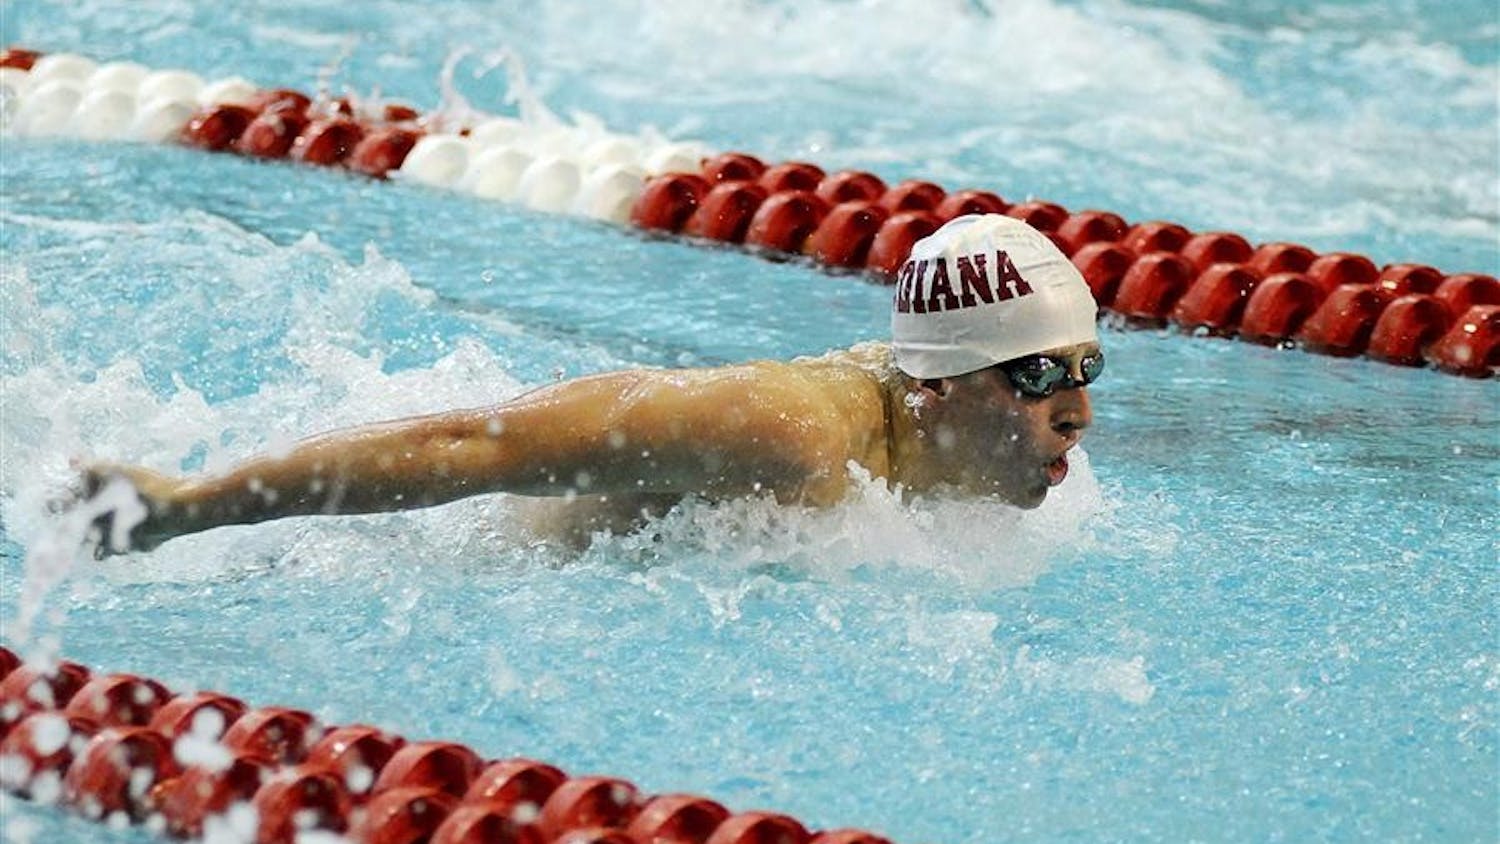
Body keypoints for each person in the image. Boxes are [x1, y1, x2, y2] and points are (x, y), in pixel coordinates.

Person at [80, 214, 1104, 554]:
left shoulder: (976, 453)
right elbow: (474, 447)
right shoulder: (792, 432)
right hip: (486, 564)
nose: (1078, 411)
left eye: (1086, 370)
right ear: (938, 385)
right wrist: (185, 507)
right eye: (1041, 374)